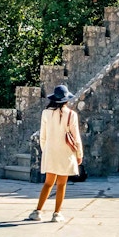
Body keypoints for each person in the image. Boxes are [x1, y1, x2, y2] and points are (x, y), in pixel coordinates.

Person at [28, 84, 83, 223]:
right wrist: (79, 154)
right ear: (66, 99)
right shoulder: (71, 114)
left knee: (48, 183)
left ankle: (37, 211)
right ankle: (57, 213)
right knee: (61, 184)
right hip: (66, 152)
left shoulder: (46, 113)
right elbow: (76, 137)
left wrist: (45, 150)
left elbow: (43, 136)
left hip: (50, 151)